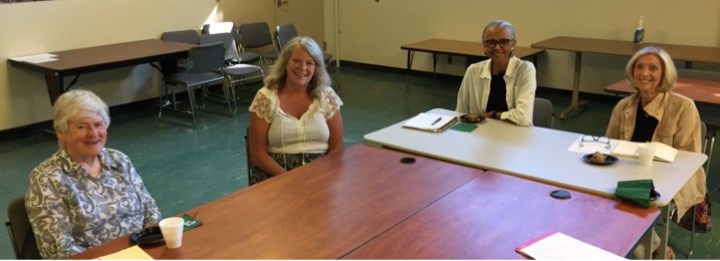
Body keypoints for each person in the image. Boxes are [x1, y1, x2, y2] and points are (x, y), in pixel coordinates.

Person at [25, 89, 161, 259]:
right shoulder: (46, 178)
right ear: (61, 132)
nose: (93, 134)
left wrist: (151, 244)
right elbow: (57, 248)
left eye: (98, 124)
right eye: (82, 126)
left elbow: (150, 208)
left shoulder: (118, 159)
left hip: (142, 252)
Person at [606, 46, 707, 259]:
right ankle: (654, 249)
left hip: (676, 177)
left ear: (664, 74)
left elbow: (689, 158)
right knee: (597, 195)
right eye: (639, 67)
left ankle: (653, 253)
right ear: (632, 72)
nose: (644, 73)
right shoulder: (623, 106)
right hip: (629, 173)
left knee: (632, 200)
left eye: (653, 68)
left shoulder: (684, 107)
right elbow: (610, 147)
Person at [248, 36, 344, 185]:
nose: (303, 68)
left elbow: (337, 147)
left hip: (320, 174)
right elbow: (257, 153)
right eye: (296, 61)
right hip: (275, 175)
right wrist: (290, 179)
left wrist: (321, 175)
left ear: (316, 68)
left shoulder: (326, 96)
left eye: (309, 63)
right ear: (285, 63)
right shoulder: (266, 97)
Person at [455, 19, 536, 126]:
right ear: (484, 45)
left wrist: (493, 115)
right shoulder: (473, 71)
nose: (497, 47)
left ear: (513, 44)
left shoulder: (525, 69)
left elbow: (523, 118)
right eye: (491, 42)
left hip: (514, 134)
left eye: (504, 42)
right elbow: (461, 112)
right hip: (481, 134)